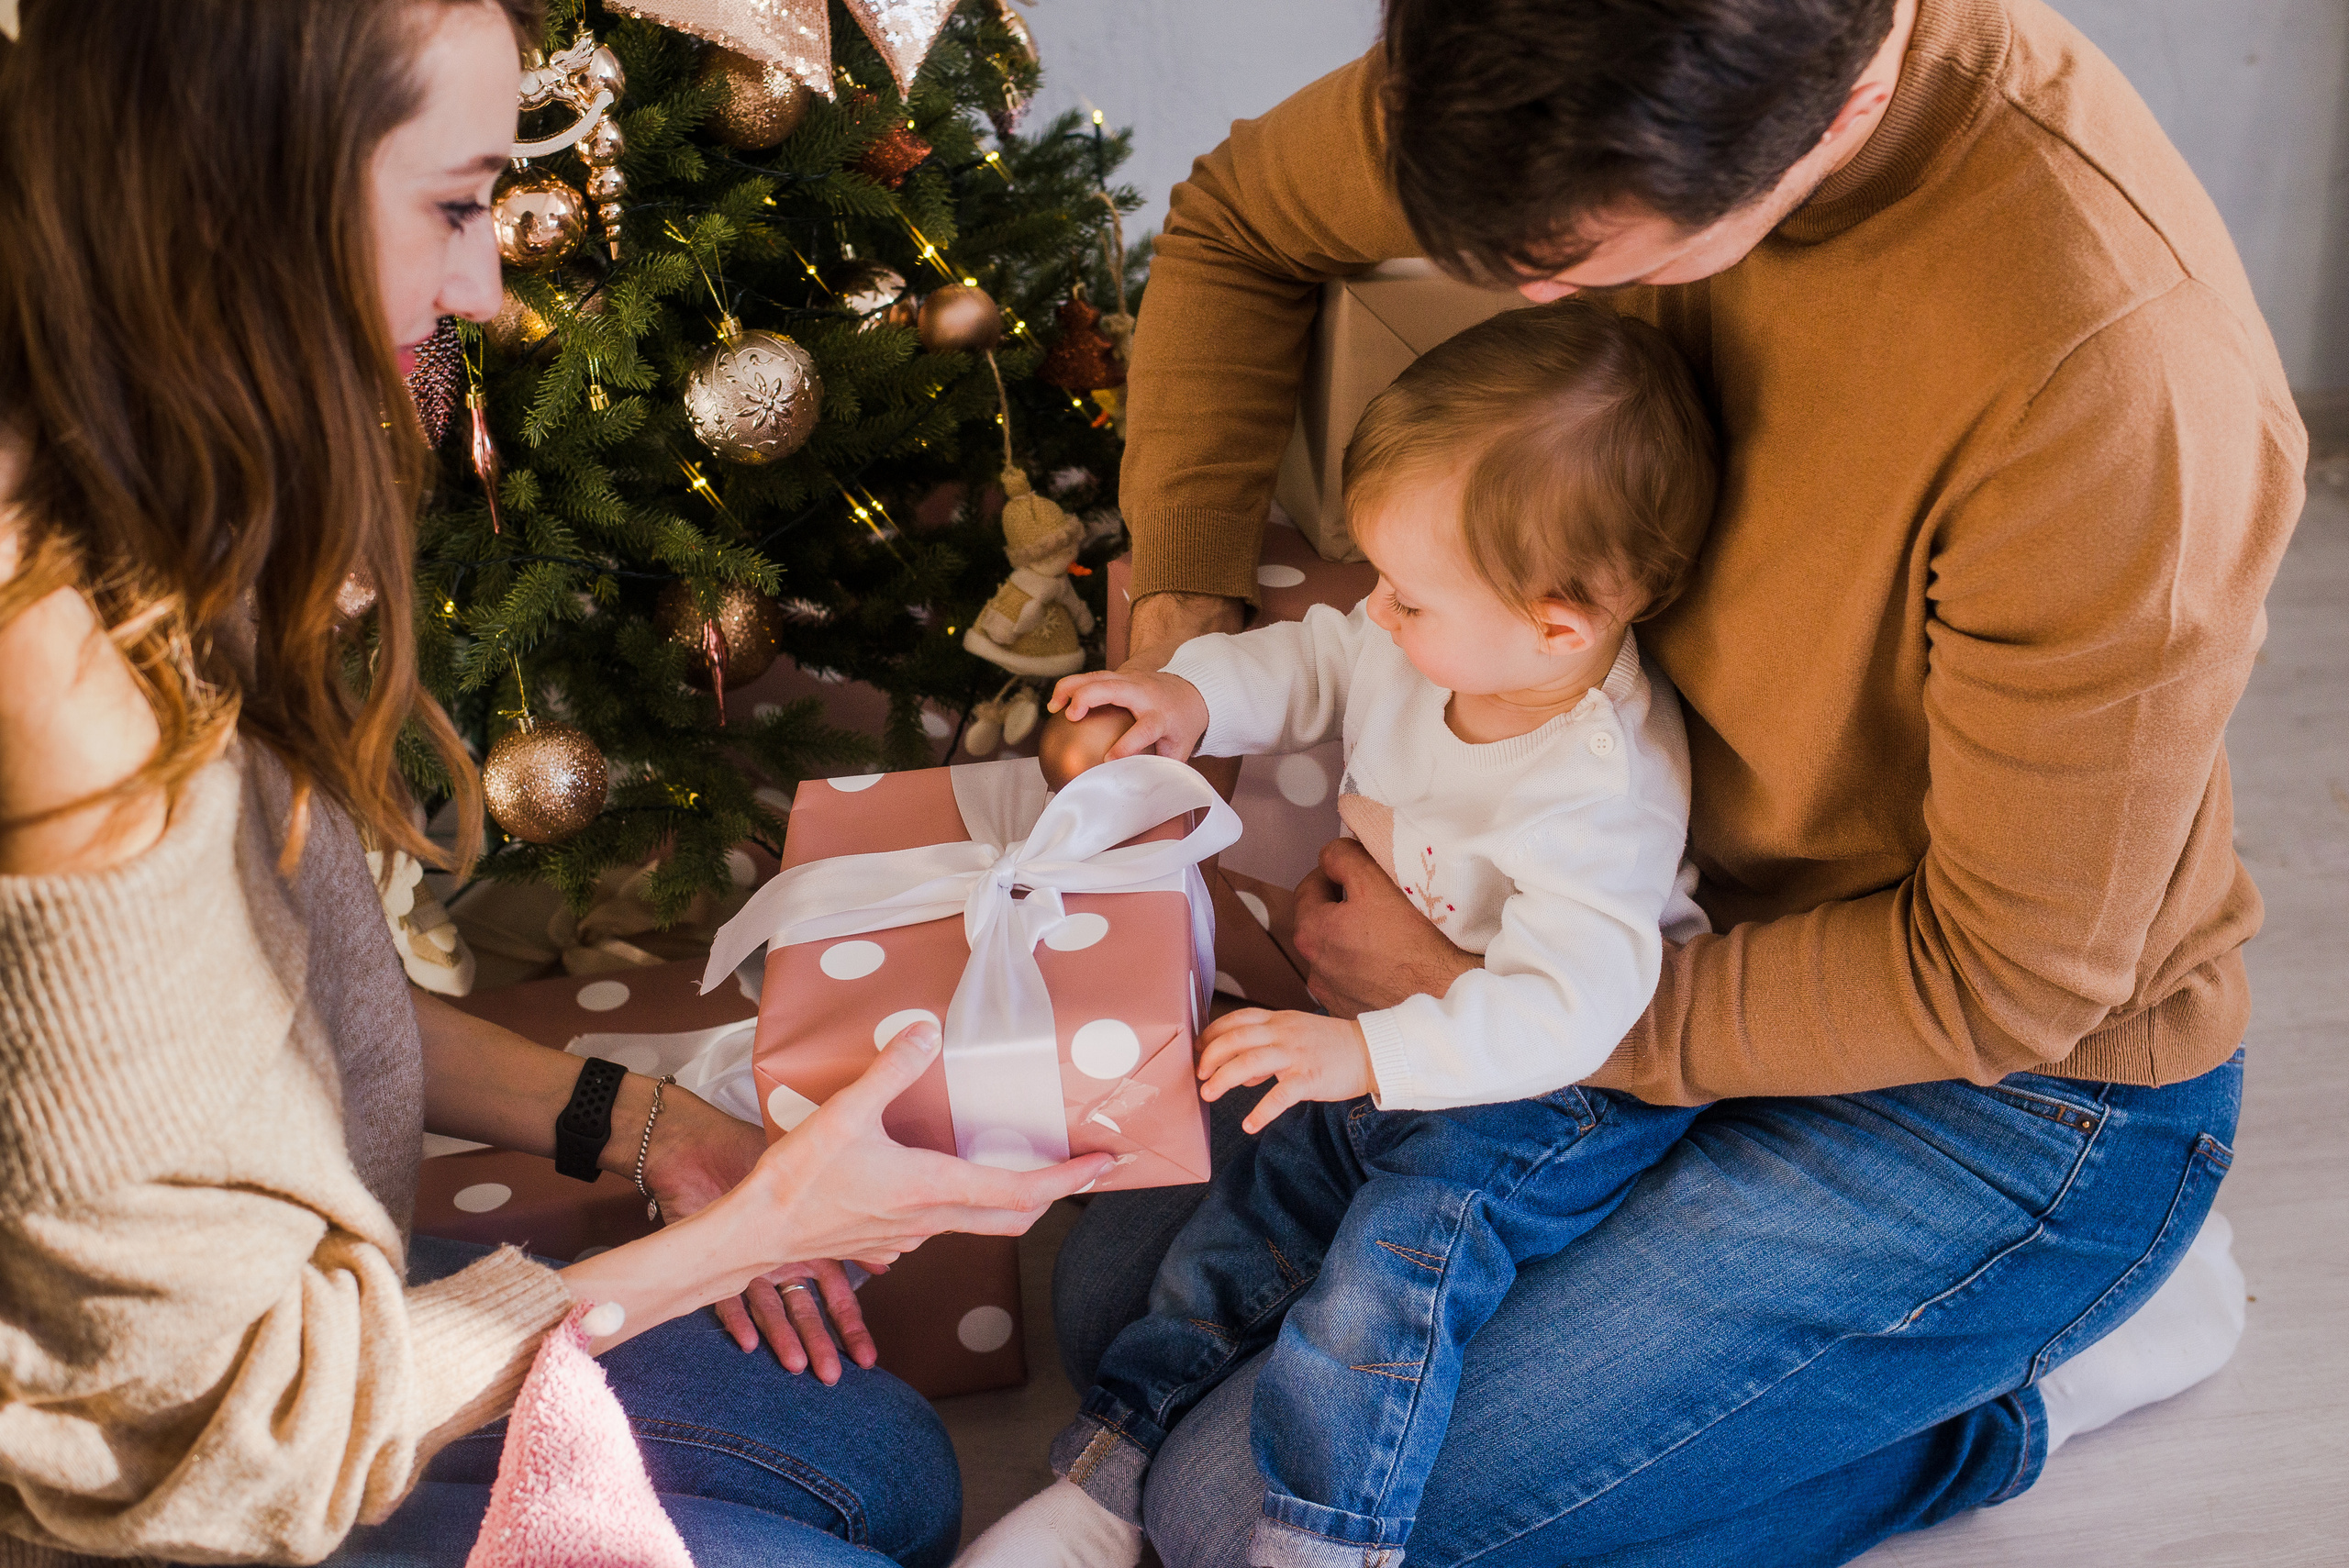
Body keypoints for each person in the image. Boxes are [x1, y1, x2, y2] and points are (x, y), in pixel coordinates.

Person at [1052, 0, 2293, 1563]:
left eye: (1574, 267)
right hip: (1620, 933)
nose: (1522, 300)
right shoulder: (1592, 57)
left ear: (1831, 122)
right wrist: (1184, 654)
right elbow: (1241, 218)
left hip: (1991, 1087)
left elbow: (2009, 979)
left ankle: (2017, 1393)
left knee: (1233, 1509)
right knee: (1110, 1308)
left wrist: (1478, 1004)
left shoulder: (2112, 383)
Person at [0, 3, 1109, 1564]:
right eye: (456, 204)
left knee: (883, 1465)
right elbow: (227, 1460)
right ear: (235, 201)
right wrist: (757, 1231)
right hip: (185, 1487)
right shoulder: (67, 679)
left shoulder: (178, 495)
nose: (482, 287)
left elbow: (293, 1005)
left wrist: (656, 1126)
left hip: (304, 1324)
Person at [971, 299, 1720, 1568]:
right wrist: (1188, 693)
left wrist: (1366, 1055)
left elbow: (1575, 1011)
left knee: (1381, 1287)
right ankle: (1105, 1484)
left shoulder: (1600, 791)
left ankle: (1324, 1540)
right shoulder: (1431, 646)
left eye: (1409, 595)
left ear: (1559, 625)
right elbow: (1315, 659)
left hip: (1555, 1090)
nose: (1376, 610)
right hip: (1396, 1035)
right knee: (1238, 1230)